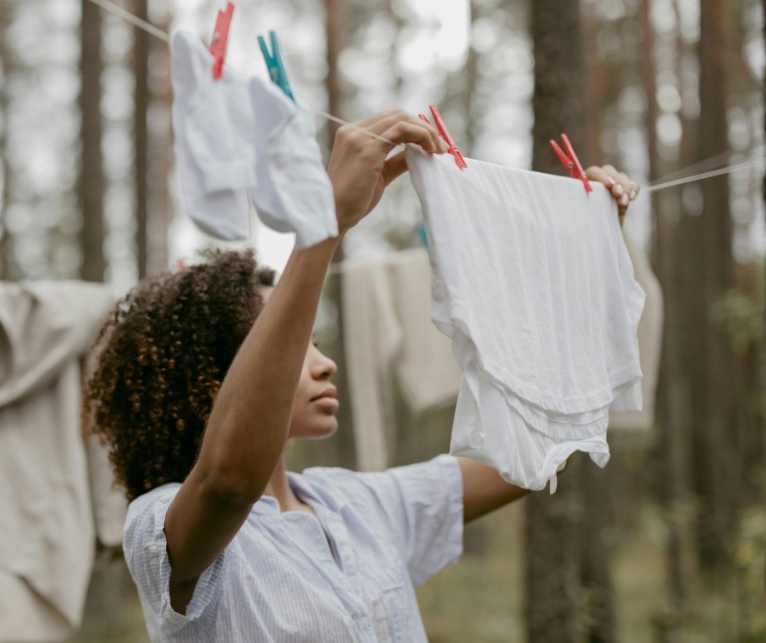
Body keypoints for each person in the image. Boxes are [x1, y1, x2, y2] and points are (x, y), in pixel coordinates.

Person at [82, 110, 641, 642]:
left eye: (314, 342)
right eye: (293, 345)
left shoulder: (360, 504)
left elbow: (539, 448)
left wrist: (585, 258)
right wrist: (322, 224)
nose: (324, 363)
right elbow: (228, 482)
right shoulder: (159, 525)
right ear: (211, 378)